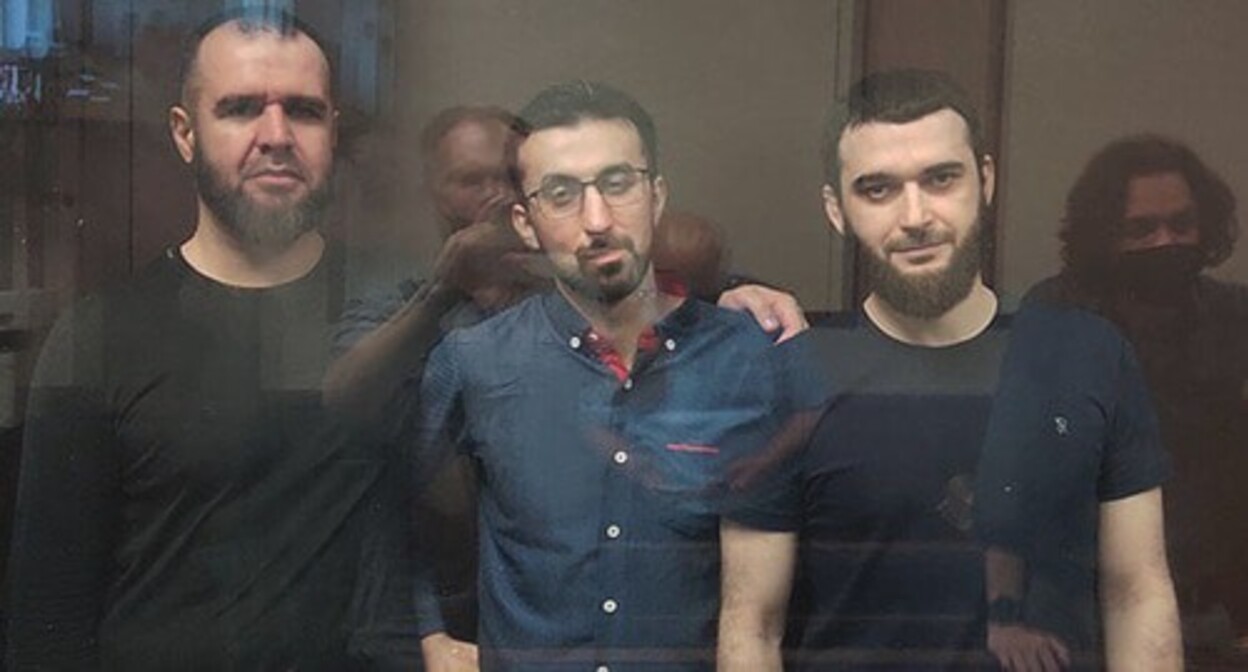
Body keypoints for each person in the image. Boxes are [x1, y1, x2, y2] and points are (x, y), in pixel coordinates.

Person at [717, 69, 1179, 671]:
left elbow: (1137, 592)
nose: (915, 216)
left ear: (984, 180)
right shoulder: (788, 379)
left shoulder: (1088, 355)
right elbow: (751, 626)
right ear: (836, 208)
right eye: (877, 189)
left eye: (940, 179)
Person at [5, 10, 422, 669]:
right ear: (185, 133)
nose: (276, 135)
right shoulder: (100, 338)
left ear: (333, 132)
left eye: (305, 111)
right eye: (240, 108)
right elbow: (46, 619)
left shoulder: (397, 313)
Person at [408, 80, 823, 671]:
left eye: (618, 183)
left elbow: (753, 627)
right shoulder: (474, 363)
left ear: (656, 198)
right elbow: (412, 523)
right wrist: (436, 638)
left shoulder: (741, 358)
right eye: (561, 194)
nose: (597, 219)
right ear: (526, 224)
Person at [1025, 135, 1248, 656]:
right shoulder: (1058, 314)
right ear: (1105, 234)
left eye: (1181, 224)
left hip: (1213, 618)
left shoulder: (1235, 318)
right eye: (1141, 229)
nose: (1164, 242)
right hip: (1083, 621)